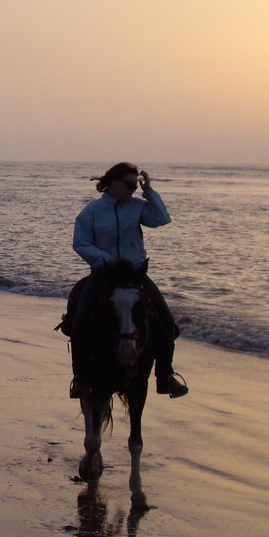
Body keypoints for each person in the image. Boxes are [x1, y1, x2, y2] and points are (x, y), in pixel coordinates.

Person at [67, 162, 188, 400]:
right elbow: (81, 243)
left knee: (166, 322)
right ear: (113, 182)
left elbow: (161, 219)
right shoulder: (91, 212)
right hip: (104, 274)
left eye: (135, 185)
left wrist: (149, 191)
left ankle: (165, 376)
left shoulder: (137, 207)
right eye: (129, 184)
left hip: (135, 274)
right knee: (79, 322)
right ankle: (80, 377)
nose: (133, 189)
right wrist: (106, 260)